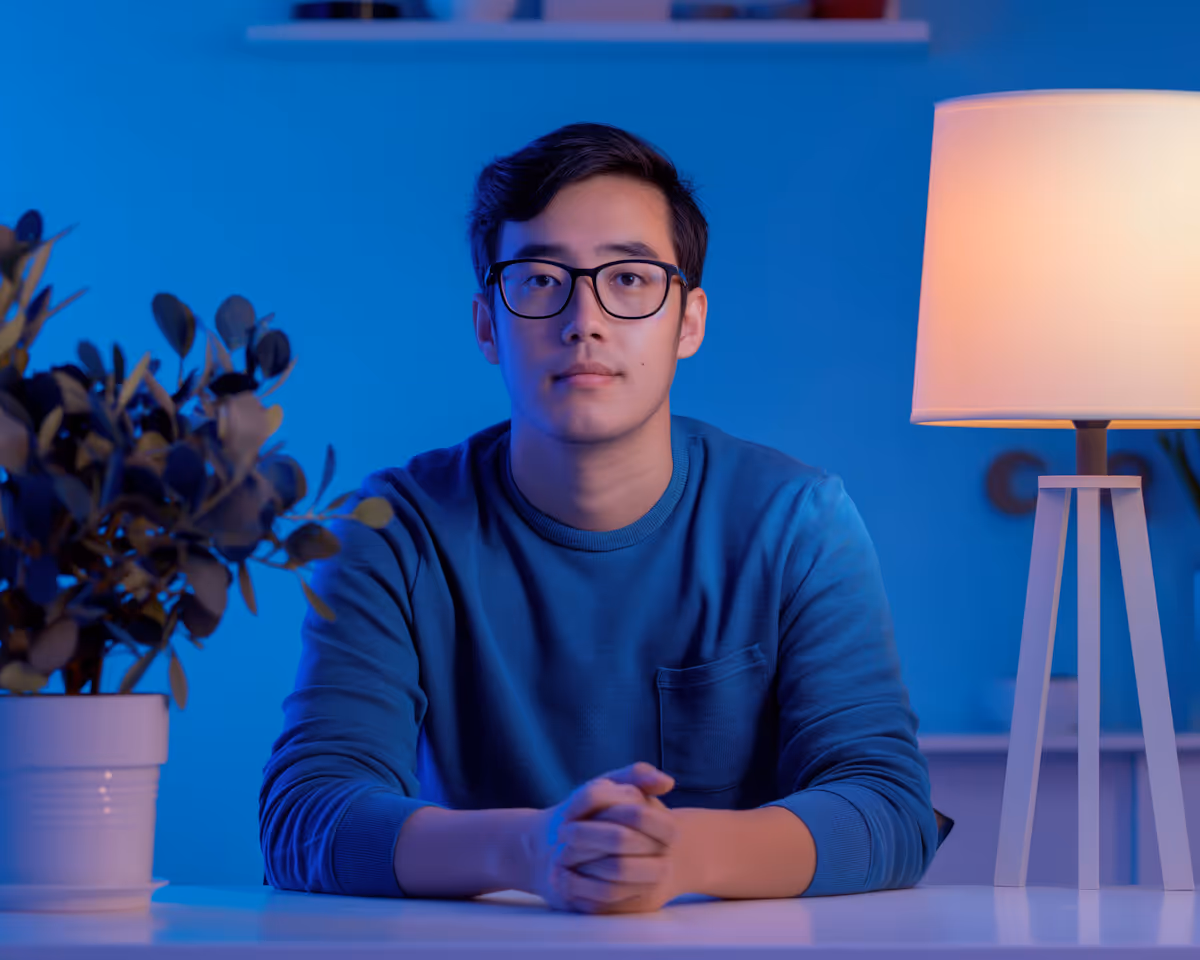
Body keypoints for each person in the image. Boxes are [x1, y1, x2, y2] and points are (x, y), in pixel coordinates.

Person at [259, 121, 948, 915]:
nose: (582, 318)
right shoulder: (392, 531)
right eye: (540, 278)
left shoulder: (797, 522)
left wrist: (681, 853)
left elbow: (889, 806)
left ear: (688, 320)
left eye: (628, 279)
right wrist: (528, 848)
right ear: (488, 323)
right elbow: (304, 816)